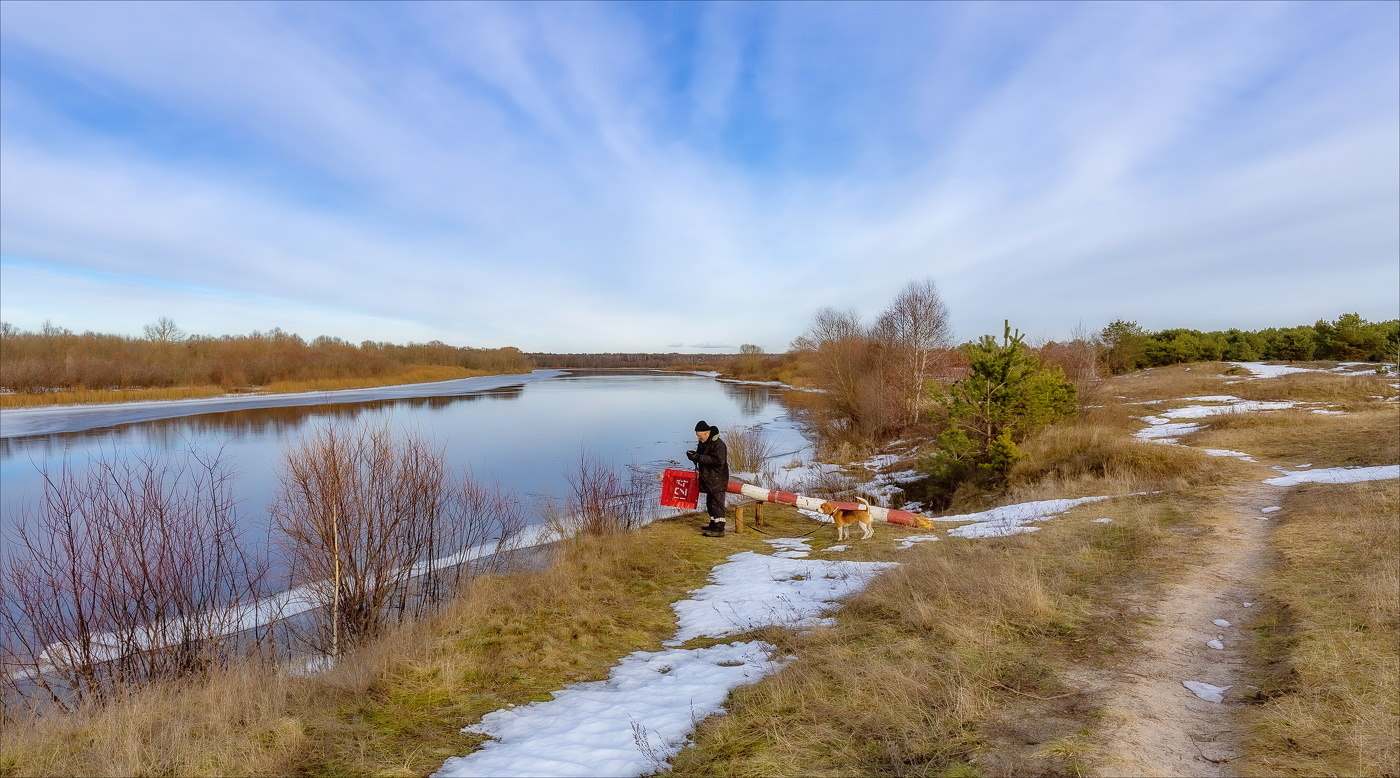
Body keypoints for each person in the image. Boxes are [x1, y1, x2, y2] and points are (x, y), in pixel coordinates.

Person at [686, 420, 729, 536]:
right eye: (697, 436)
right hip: (709, 478)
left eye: (700, 436)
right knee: (710, 503)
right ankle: (713, 524)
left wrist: (698, 457)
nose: (698, 438)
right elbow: (702, 456)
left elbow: (718, 461)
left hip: (718, 478)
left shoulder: (718, 444)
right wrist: (693, 456)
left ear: (707, 433)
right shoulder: (704, 443)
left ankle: (719, 530)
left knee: (716, 504)